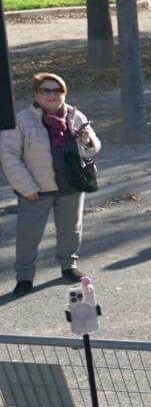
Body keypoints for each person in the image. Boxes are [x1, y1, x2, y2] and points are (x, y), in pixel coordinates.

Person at [4, 73, 101, 293]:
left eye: (56, 90)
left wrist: (87, 141)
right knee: (29, 235)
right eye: (45, 90)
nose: (51, 95)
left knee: (71, 230)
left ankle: (69, 266)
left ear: (64, 94)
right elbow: (9, 156)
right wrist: (26, 187)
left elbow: (93, 147)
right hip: (35, 191)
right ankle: (25, 277)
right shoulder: (21, 120)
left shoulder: (75, 116)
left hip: (71, 186)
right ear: (36, 94)